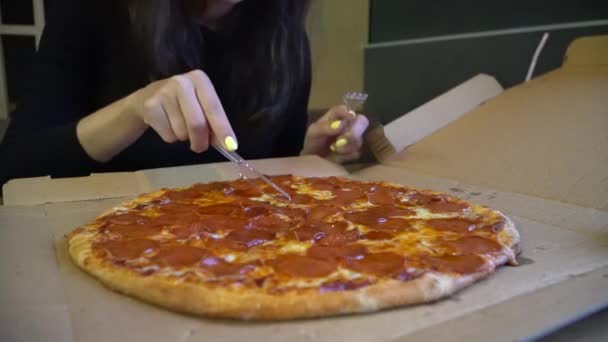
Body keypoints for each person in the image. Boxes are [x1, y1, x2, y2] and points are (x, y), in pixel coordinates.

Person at [0, 0, 369, 187]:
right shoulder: (92, 11)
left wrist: (308, 155)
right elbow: (16, 167)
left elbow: (267, 168)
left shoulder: (282, 32)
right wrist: (131, 110)